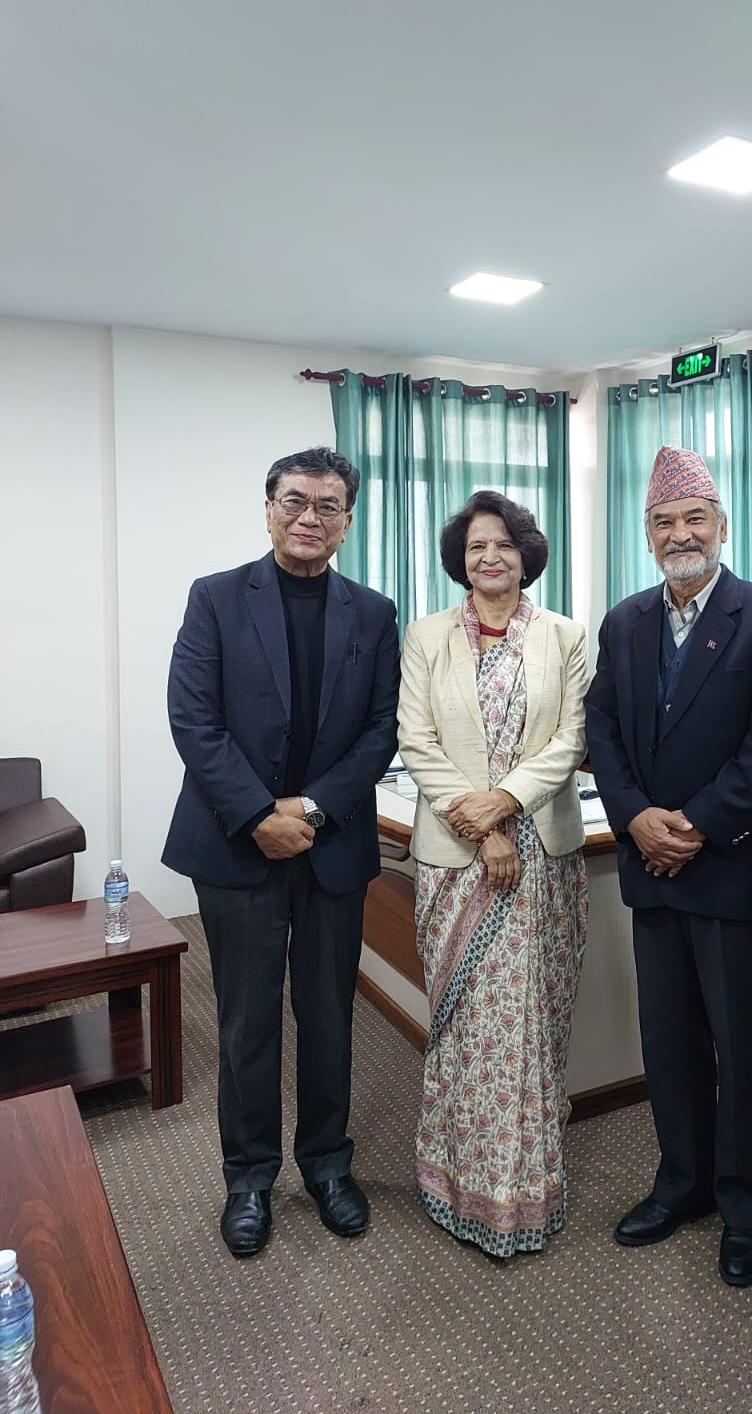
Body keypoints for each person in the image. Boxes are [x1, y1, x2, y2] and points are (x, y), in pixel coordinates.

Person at [163, 446, 400, 1257]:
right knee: (247, 1022)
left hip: (329, 847)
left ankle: (328, 1165)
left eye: (328, 505)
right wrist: (260, 813)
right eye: (294, 501)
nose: (309, 518)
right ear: (268, 509)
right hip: (237, 849)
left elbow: (381, 731)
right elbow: (194, 721)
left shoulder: (372, 611)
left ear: (347, 519)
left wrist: (313, 806)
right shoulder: (217, 599)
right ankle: (250, 1178)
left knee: (329, 1015)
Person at [584, 446, 752, 1288]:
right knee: (670, 1043)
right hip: (653, 866)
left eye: (694, 518)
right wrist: (636, 816)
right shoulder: (626, 619)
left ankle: (747, 1204)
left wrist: (698, 825)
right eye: (662, 522)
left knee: (745, 1048)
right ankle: (682, 1183)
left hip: (733, 870)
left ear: (722, 525)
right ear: (647, 535)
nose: (679, 533)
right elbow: (601, 728)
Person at [396, 490, 588, 1257]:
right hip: (455, 859)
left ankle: (523, 1195)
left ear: (526, 553)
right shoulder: (427, 636)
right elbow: (415, 737)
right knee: (468, 1030)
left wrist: (505, 805)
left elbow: (571, 738)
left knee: (528, 1031)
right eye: (476, 546)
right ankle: (457, 1184)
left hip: (541, 857)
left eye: (503, 544)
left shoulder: (565, 636)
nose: (490, 558)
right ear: (460, 558)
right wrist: (480, 826)